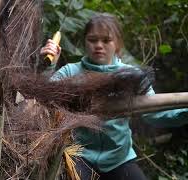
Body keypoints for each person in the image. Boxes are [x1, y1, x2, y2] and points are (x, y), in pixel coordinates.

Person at [40, 13, 188, 180]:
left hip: (119, 159)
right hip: (80, 157)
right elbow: (44, 100)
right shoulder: (70, 72)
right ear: (85, 42)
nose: (98, 45)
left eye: (106, 40)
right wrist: (49, 65)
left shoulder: (131, 75)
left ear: (117, 44)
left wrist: (184, 113)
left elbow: (154, 113)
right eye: (92, 39)